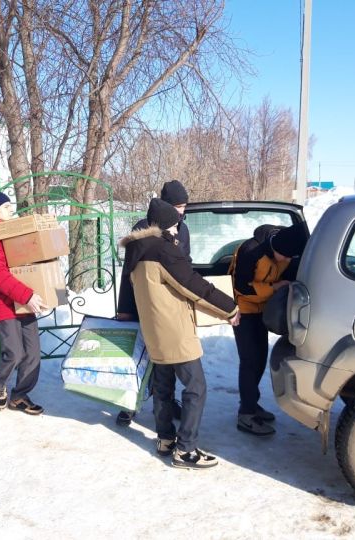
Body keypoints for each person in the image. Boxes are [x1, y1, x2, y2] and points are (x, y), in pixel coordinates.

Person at [120, 198, 241, 469]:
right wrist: (230, 309)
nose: (177, 232)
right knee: (196, 387)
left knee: (163, 387)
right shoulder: (164, 251)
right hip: (174, 331)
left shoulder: (136, 250)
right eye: (175, 226)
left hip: (153, 330)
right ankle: (186, 450)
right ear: (164, 226)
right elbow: (193, 285)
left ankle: (165, 439)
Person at [115, 179, 190, 426]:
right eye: (178, 205)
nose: (182, 210)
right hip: (140, 304)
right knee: (138, 356)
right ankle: (129, 403)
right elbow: (128, 272)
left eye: (184, 205)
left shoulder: (183, 229)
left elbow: (184, 267)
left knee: (166, 358)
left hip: (167, 307)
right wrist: (125, 309)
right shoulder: (141, 228)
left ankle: (165, 402)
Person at [0, 190, 48, 415]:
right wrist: (27, 295)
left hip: (23, 302)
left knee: (33, 353)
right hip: (4, 304)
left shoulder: (12, 235)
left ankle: (20, 395)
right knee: (15, 352)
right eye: (6, 207)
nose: (11, 210)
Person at [229, 222, 307, 435]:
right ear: (277, 248)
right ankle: (246, 414)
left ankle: (252, 404)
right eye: (286, 256)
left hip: (262, 310)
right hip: (243, 311)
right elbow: (240, 287)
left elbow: (290, 272)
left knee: (260, 358)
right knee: (249, 360)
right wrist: (274, 288)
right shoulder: (250, 251)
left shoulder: (286, 250)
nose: (288, 261)